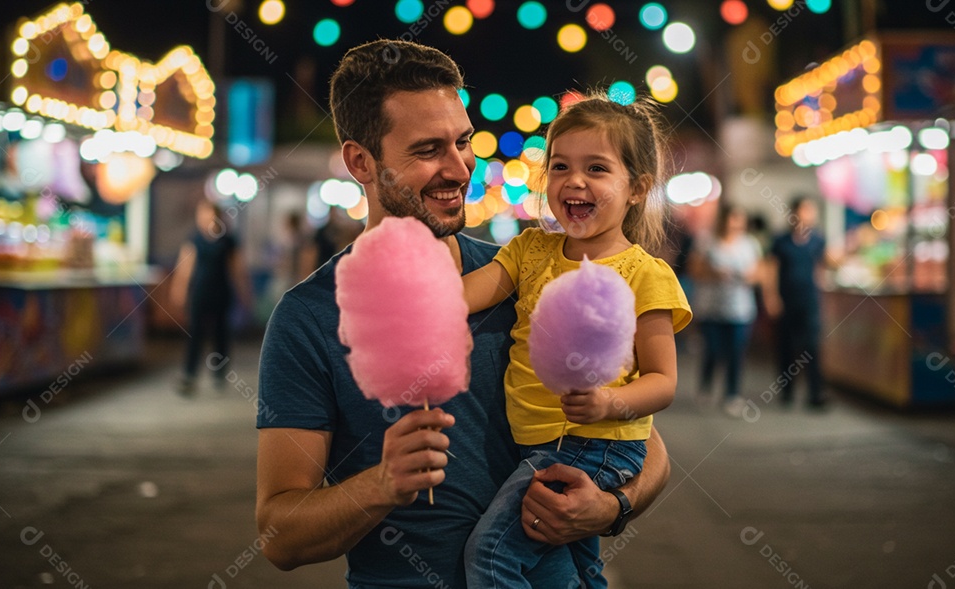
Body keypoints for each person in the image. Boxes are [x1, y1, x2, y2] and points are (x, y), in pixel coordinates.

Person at [254, 40, 671, 589]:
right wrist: (382, 483)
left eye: (464, 140)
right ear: (361, 161)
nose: (460, 168)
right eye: (428, 149)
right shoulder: (309, 316)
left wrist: (612, 506)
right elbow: (278, 536)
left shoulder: (528, 275)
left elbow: (646, 443)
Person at [460, 95, 692, 588]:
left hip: (595, 443)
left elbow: (663, 381)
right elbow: (462, 298)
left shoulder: (645, 275)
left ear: (637, 189)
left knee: (492, 555)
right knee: (575, 571)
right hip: (539, 443)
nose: (575, 180)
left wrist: (609, 401)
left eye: (597, 168)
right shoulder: (529, 250)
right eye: (561, 165)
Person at [170, 199, 250, 396]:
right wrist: (178, 291)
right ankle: (189, 375)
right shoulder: (194, 239)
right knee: (195, 335)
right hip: (200, 294)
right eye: (201, 215)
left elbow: (237, 269)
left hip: (222, 294)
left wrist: (245, 293)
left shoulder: (229, 240)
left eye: (208, 214)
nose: (204, 219)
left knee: (221, 334)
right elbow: (184, 268)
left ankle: (219, 372)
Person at [691, 204, 761, 417]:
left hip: (740, 309)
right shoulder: (707, 241)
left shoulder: (750, 244)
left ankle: (732, 394)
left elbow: (760, 273)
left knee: (736, 352)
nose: (736, 224)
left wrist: (747, 276)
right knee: (712, 349)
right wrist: (715, 272)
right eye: (732, 218)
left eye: (739, 219)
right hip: (711, 307)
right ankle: (706, 386)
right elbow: (694, 270)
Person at [764, 196, 828, 408]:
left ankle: (815, 393)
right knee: (786, 347)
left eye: (810, 210)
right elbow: (771, 270)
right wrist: (771, 297)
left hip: (809, 300)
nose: (807, 214)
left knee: (811, 346)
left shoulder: (818, 240)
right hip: (786, 299)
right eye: (803, 210)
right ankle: (787, 391)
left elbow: (820, 268)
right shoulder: (780, 241)